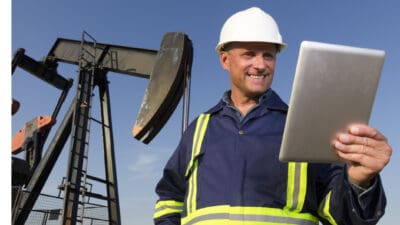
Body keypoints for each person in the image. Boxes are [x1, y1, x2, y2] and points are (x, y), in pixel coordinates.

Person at [153, 7, 392, 225]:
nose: (260, 65)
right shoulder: (199, 129)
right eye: (249, 54)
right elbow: (169, 200)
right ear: (225, 60)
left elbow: (341, 216)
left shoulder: (304, 126)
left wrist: (361, 181)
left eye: (268, 55)